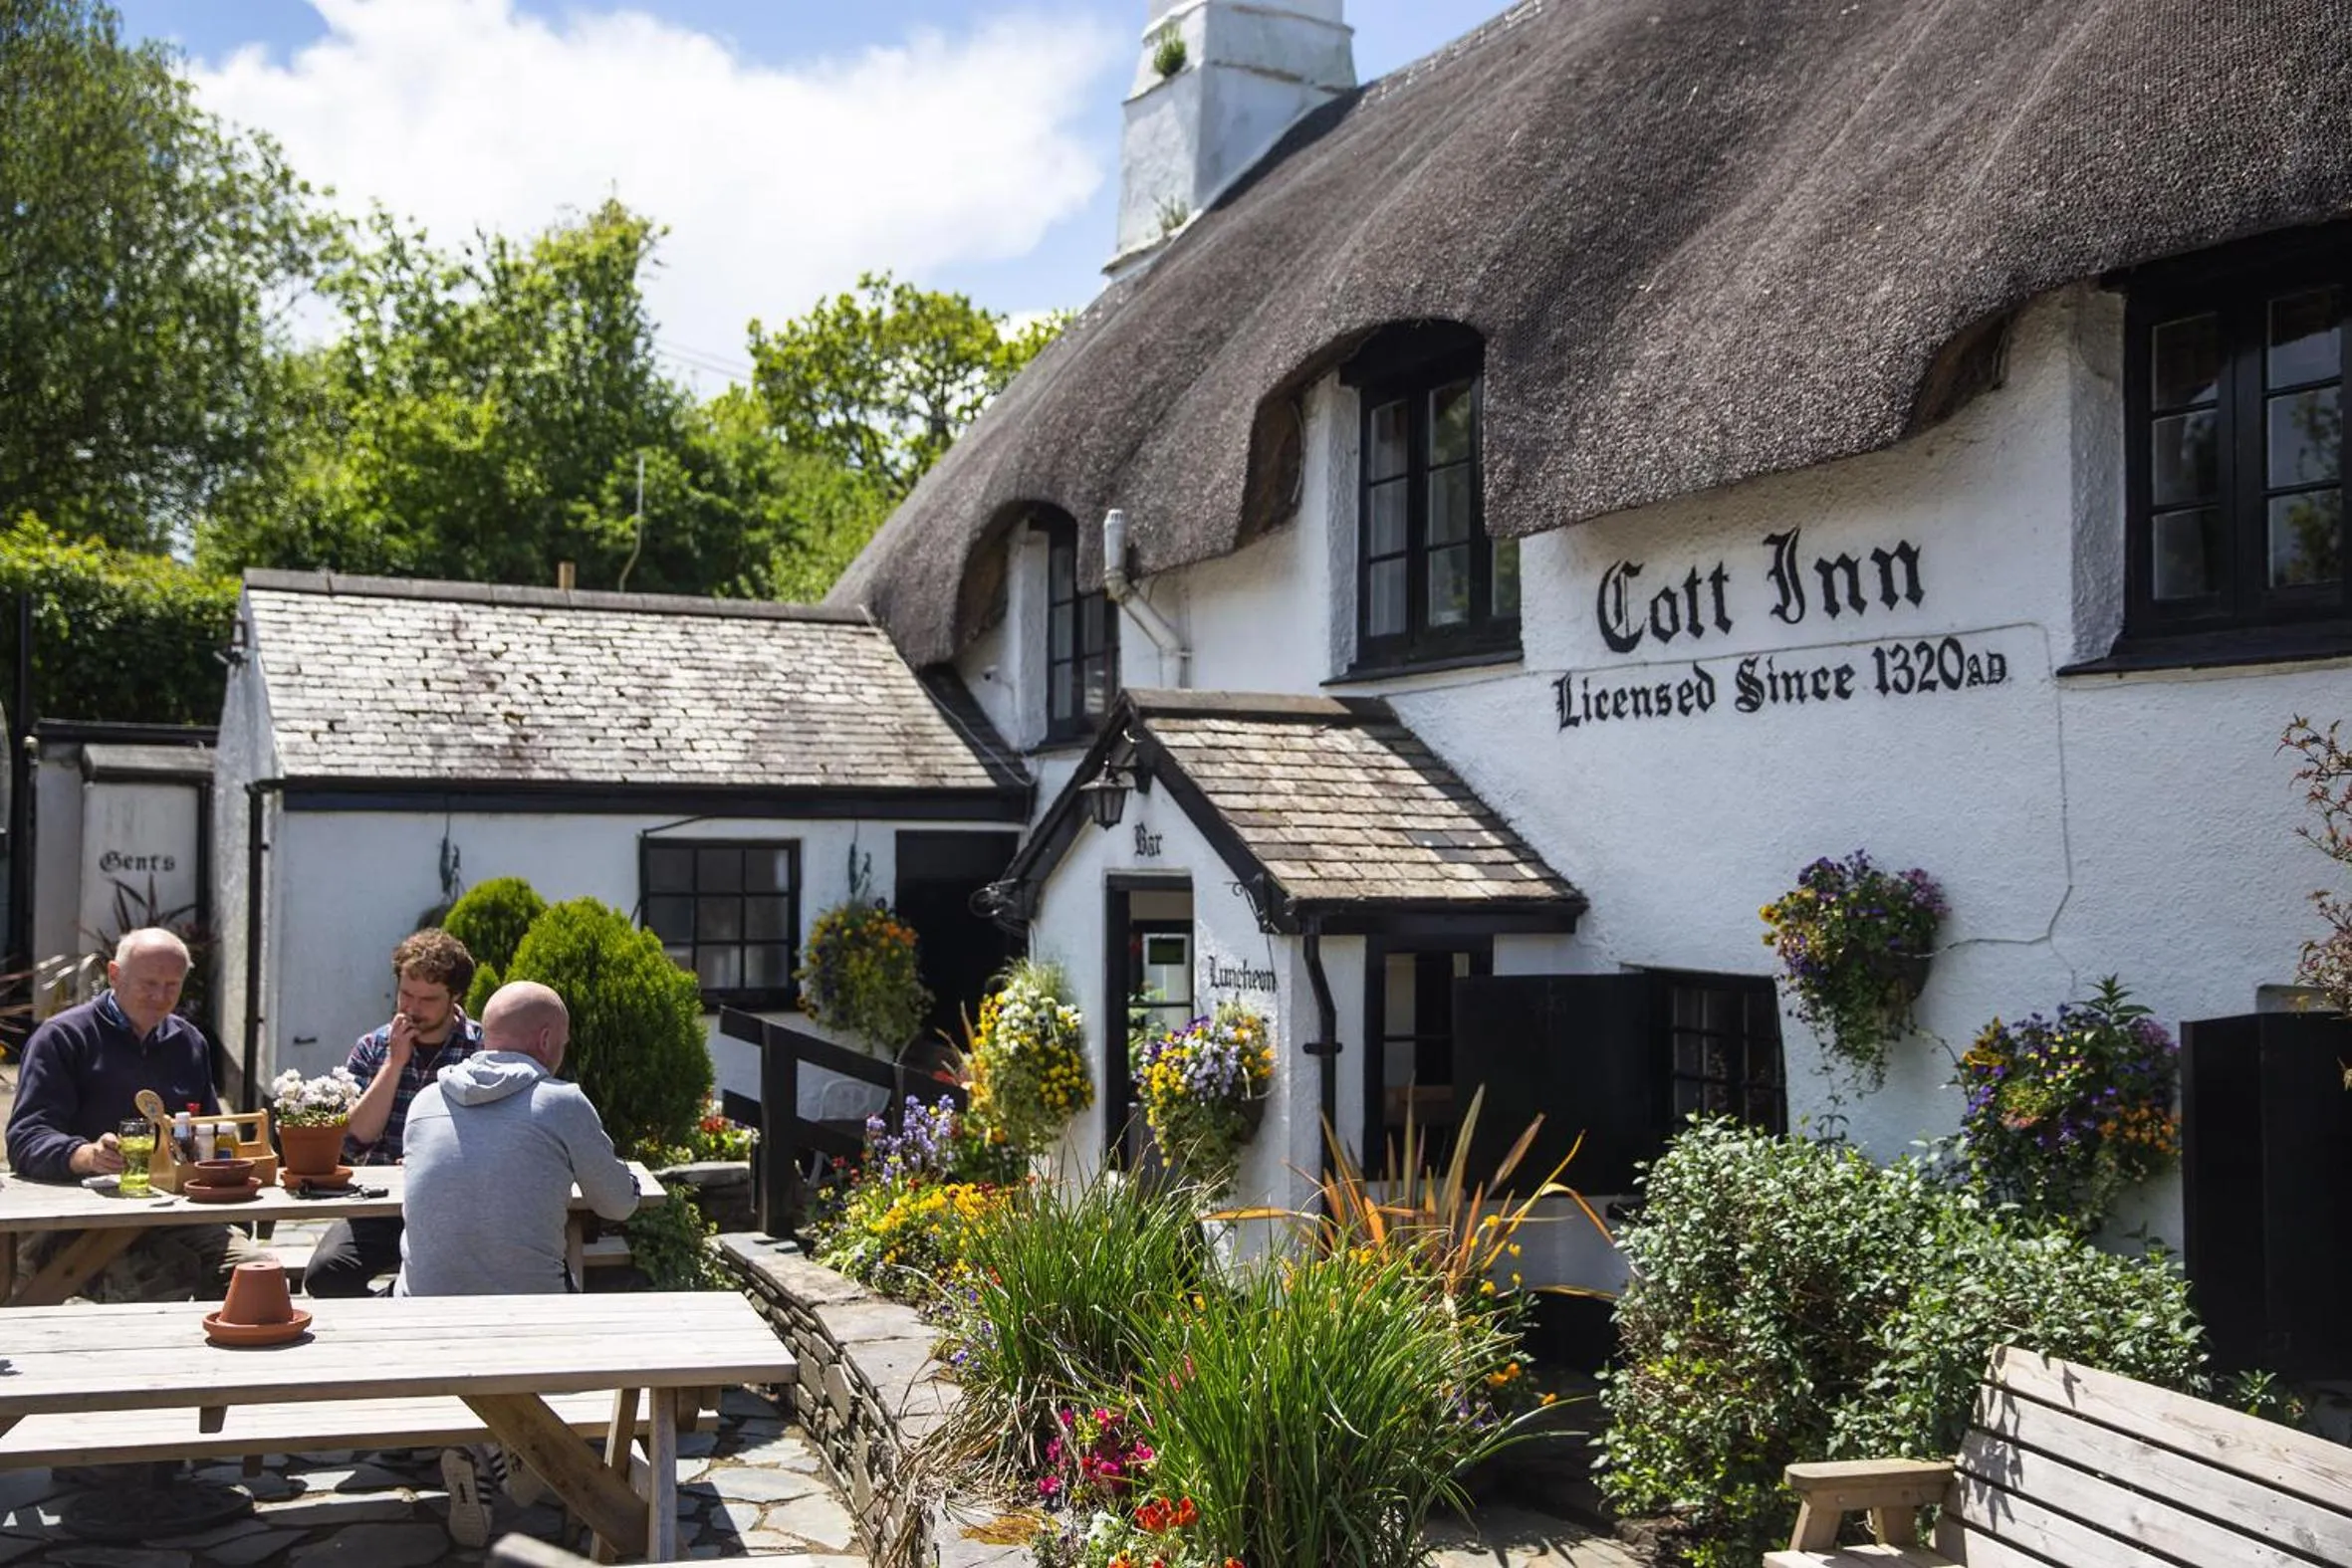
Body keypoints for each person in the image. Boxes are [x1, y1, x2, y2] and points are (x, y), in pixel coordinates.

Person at [397, 980, 639, 1546]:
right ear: (547, 1038)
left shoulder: (426, 1101)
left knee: (462, 1277)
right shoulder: (561, 1102)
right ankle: (515, 1442)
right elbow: (617, 1204)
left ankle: (478, 1446)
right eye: (564, 1042)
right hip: (528, 1326)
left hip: (419, 1324)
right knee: (569, 1301)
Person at [4, 928, 252, 1302]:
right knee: (161, 1283)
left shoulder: (189, 1043)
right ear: (115, 975)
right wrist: (85, 1155)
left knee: (256, 1274)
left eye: (172, 985)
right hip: (77, 1219)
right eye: (149, 983)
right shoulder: (63, 1037)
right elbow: (26, 1137)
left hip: (173, 1213)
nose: (160, 997)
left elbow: (210, 1133)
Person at [303, 929, 483, 1298]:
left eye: (428, 999)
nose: (412, 1009)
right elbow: (354, 1142)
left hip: (455, 1206)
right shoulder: (372, 1046)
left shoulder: (481, 1050)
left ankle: (405, 1307)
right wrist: (394, 1063)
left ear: (456, 997)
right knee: (325, 1275)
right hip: (381, 1204)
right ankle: (398, 1306)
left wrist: (433, 1161)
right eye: (406, 994)